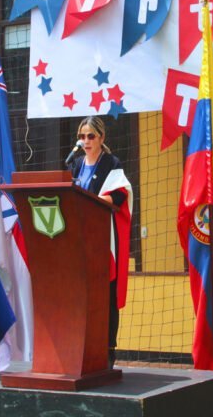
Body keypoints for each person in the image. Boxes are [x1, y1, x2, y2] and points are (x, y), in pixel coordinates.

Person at [68, 116, 132, 370]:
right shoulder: (74, 165)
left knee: (105, 294)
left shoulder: (111, 164)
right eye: (82, 136)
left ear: (102, 138)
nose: (85, 141)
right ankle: (79, 345)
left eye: (91, 136)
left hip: (103, 241)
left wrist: (88, 199)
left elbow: (119, 196)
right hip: (78, 240)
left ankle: (107, 349)